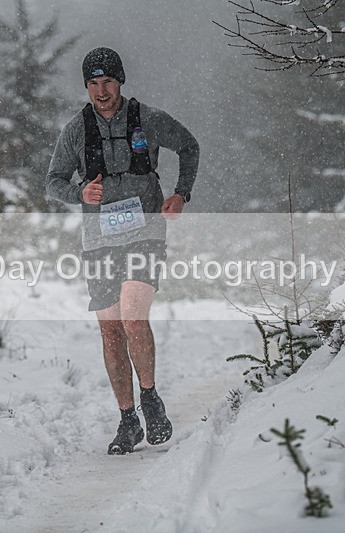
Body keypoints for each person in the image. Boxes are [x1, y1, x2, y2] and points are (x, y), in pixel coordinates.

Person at [45, 47, 199, 455]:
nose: (101, 91)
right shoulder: (75, 131)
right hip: (98, 239)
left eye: (108, 82)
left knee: (133, 316)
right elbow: (52, 182)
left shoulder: (147, 118)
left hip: (145, 229)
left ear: (121, 82)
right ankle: (128, 419)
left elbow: (189, 146)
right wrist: (80, 191)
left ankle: (150, 398)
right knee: (110, 329)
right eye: (93, 84)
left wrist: (181, 193)